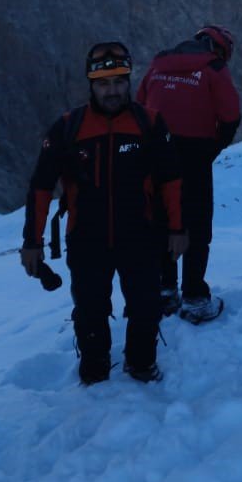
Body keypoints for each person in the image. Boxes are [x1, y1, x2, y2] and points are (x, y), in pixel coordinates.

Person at [21, 42, 186, 384]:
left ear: (128, 81)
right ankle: (94, 371)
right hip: (86, 238)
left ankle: (141, 364)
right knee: (90, 308)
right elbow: (41, 187)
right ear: (91, 85)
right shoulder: (67, 127)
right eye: (103, 84)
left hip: (140, 234)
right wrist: (31, 242)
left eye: (118, 82)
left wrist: (177, 228)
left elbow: (171, 180)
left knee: (145, 305)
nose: (112, 91)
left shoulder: (150, 123)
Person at [137, 23, 241, 323]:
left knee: (162, 220)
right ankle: (194, 295)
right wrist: (214, 147)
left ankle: (164, 290)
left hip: (157, 151)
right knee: (196, 225)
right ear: (220, 49)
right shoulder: (214, 68)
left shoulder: (158, 64)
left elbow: (140, 106)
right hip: (194, 153)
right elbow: (231, 115)